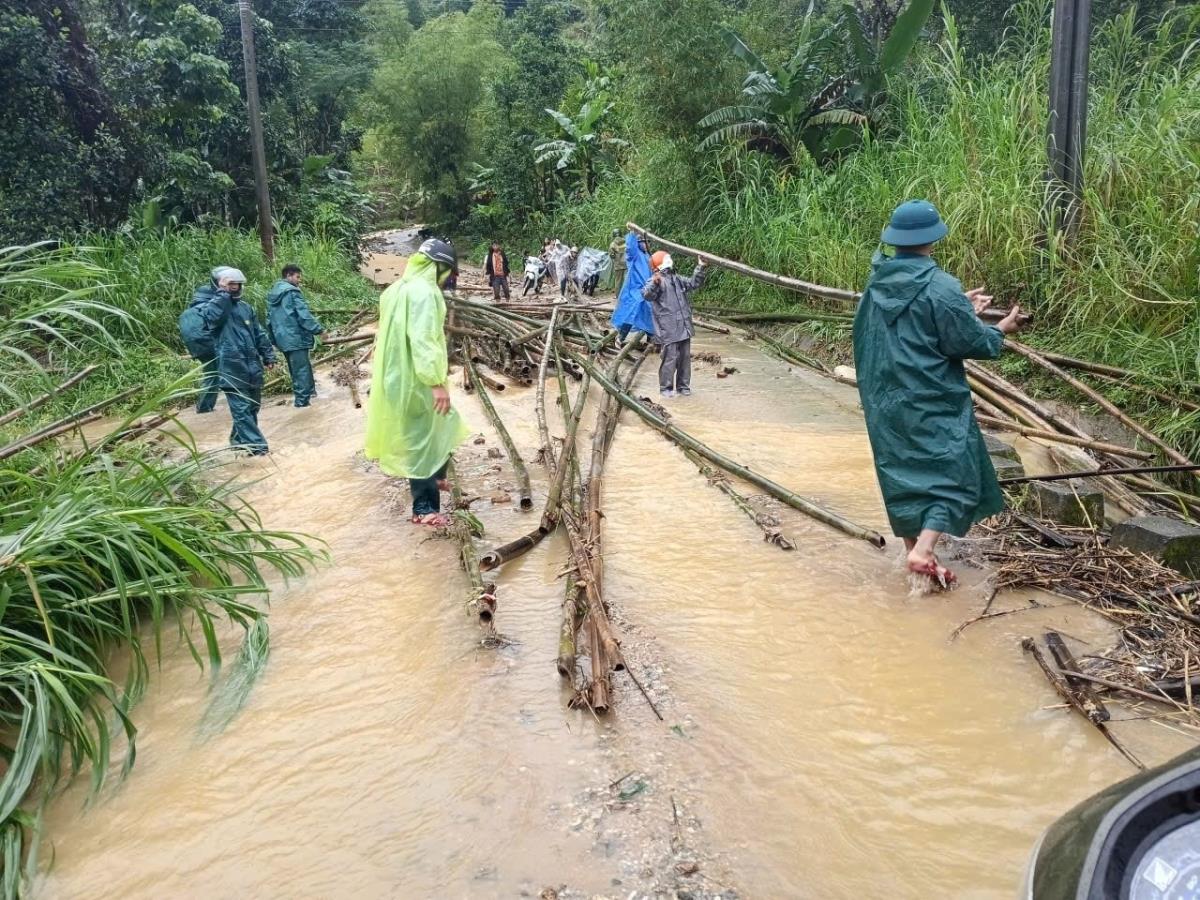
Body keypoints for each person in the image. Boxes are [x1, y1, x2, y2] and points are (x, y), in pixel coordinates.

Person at [853, 199, 1024, 588]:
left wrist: (962, 309)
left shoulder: (875, 286)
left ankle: (920, 568)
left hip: (885, 400)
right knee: (955, 470)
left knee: (902, 473)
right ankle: (924, 550)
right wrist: (999, 329)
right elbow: (969, 341)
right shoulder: (940, 286)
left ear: (896, 240)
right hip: (932, 397)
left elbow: (908, 329)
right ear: (932, 239)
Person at [364, 238, 470, 527]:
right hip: (417, 380)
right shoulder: (425, 292)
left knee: (443, 424)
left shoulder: (395, 290)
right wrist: (435, 382)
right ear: (438, 268)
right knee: (420, 441)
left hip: (396, 377)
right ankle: (424, 509)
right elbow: (424, 340)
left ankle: (438, 476)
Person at [200, 268, 277, 454]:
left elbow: (259, 334)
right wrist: (222, 293)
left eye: (236, 284)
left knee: (252, 406)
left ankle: (238, 442)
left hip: (251, 366)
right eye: (230, 284)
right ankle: (259, 449)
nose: (234, 287)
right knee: (241, 410)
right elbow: (213, 317)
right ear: (219, 285)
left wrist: (268, 355)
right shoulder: (211, 308)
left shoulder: (245, 308)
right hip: (231, 368)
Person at [642, 252, 707, 398]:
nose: (670, 260)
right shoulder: (656, 280)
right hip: (668, 328)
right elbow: (646, 294)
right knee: (669, 359)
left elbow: (693, 283)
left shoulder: (676, 279)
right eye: (668, 258)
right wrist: (654, 283)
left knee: (684, 359)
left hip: (683, 326)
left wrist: (701, 267)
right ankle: (666, 389)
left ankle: (683, 387)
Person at [266, 264, 325, 408]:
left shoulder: (273, 294)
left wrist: (273, 340)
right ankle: (302, 404)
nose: (299, 280)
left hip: (282, 339)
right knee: (301, 371)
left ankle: (310, 394)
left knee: (297, 370)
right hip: (296, 337)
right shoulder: (292, 292)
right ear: (288, 276)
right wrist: (319, 330)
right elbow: (303, 316)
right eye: (297, 277)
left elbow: (269, 320)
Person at [178, 267, 230, 413]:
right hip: (209, 345)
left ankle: (205, 405)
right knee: (216, 374)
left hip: (196, 348)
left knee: (210, 374)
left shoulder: (186, 313)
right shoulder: (206, 308)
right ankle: (204, 406)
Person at [610, 232, 654, 342]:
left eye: (648, 242)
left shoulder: (648, 256)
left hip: (647, 289)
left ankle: (651, 340)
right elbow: (630, 248)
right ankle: (621, 337)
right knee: (632, 311)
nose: (647, 245)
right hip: (635, 289)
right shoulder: (635, 254)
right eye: (644, 242)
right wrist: (632, 233)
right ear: (638, 243)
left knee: (649, 312)